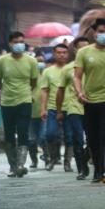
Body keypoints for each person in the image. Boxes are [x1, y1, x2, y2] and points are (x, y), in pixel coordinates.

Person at [72, 19, 105, 183]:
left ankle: (104, 170)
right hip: (89, 102)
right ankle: (97, 169)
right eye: (101, 31)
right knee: (92, 138)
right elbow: (77, 76)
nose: (104, 34)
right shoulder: (83, 52)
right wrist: (79, 92)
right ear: (94, 33)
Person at [0, 31, 39, 179]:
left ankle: (20, 165)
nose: (19, 44)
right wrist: (6, 90)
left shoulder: (31, 61)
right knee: (9, 134)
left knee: (23, 132)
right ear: (10, 43)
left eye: (21, 42)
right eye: (16, 42)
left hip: (25, 100)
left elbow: (34, 81)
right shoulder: (1, 61)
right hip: (7, 102)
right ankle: (12, 166)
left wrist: (26, 92)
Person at [38, 43, 73, 171]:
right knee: (50, 134)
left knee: (70, 136)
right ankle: (53, 158)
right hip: (52, 108)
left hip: (70, 108)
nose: (62, 55)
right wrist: (43, 108)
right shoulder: (48, 71)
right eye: (59, 52)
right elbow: (44, 91)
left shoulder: (73, 69)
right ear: (54, 54)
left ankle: (67, 162)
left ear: (68, 54)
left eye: (64, 52)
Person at [62, 36, 91, 178]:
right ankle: (81, 169)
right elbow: (61, 90)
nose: (84, 50)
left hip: (93, 106)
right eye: (81, 48)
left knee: (93, 139)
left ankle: (86, 160)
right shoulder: (68, 69)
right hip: (74, 107)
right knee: (78, 138)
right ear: (75, 50)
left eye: (87, 47)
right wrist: (59, 110)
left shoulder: (95, 65)